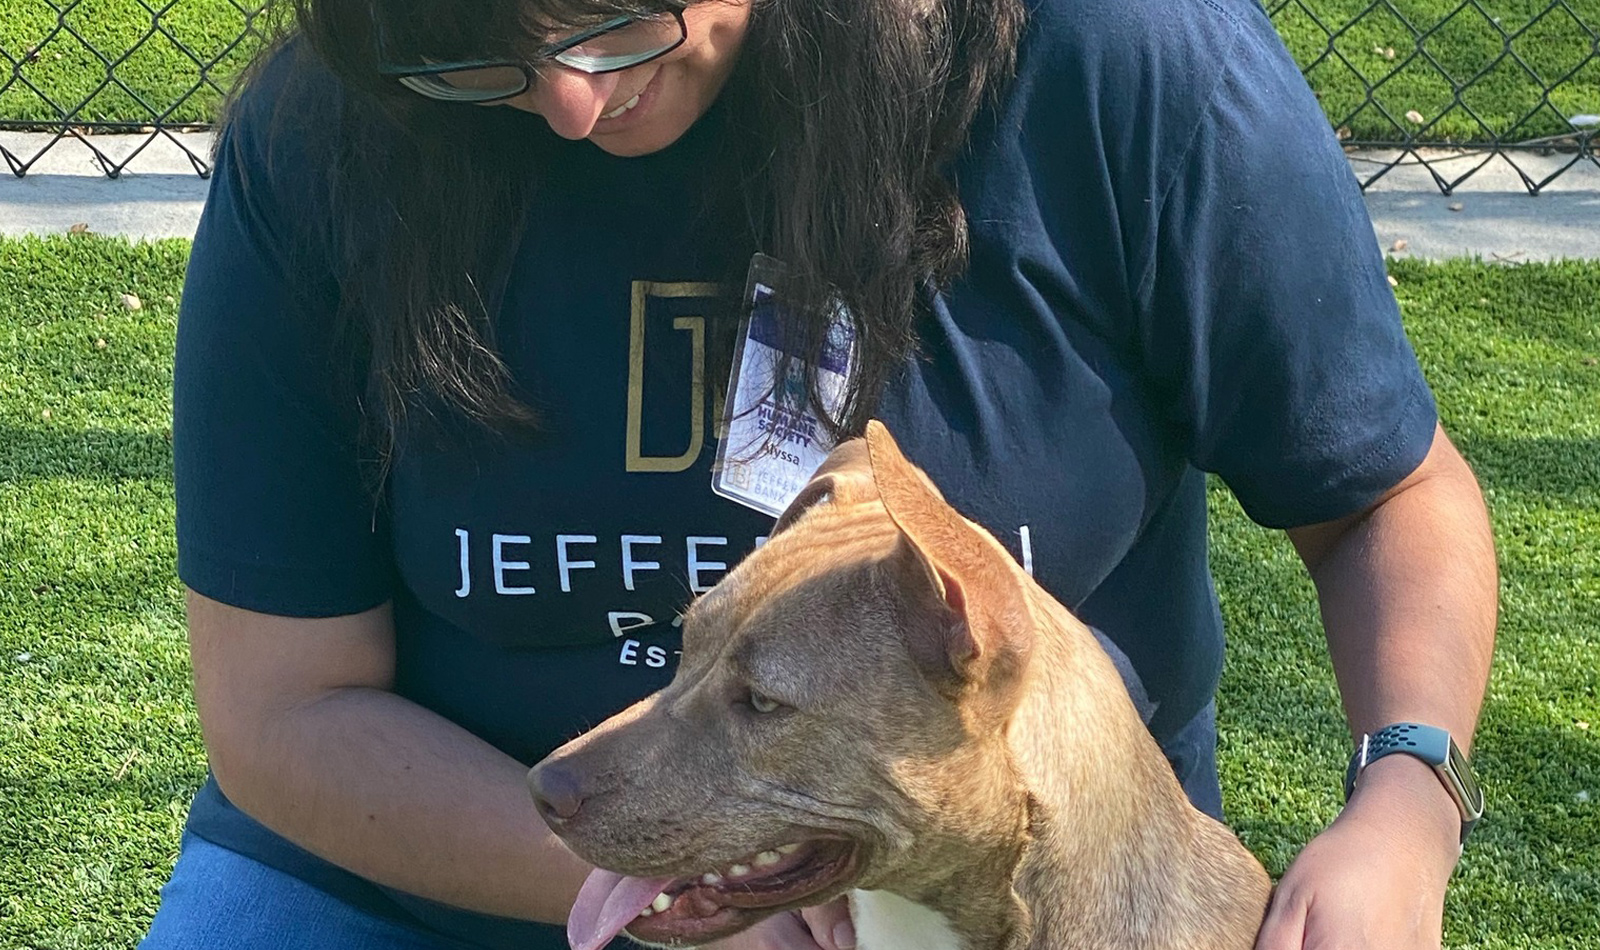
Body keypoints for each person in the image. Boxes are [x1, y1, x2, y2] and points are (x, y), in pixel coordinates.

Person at [141, 0, 1497, 947]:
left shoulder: (1122, 58)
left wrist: (1406, 798)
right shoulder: (334, 129)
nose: (567, 97)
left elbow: (1385, 493)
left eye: (620, 10)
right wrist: (698, 889)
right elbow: (285, 710)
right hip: (420, 878)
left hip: (1014, 897)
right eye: (478, 47)